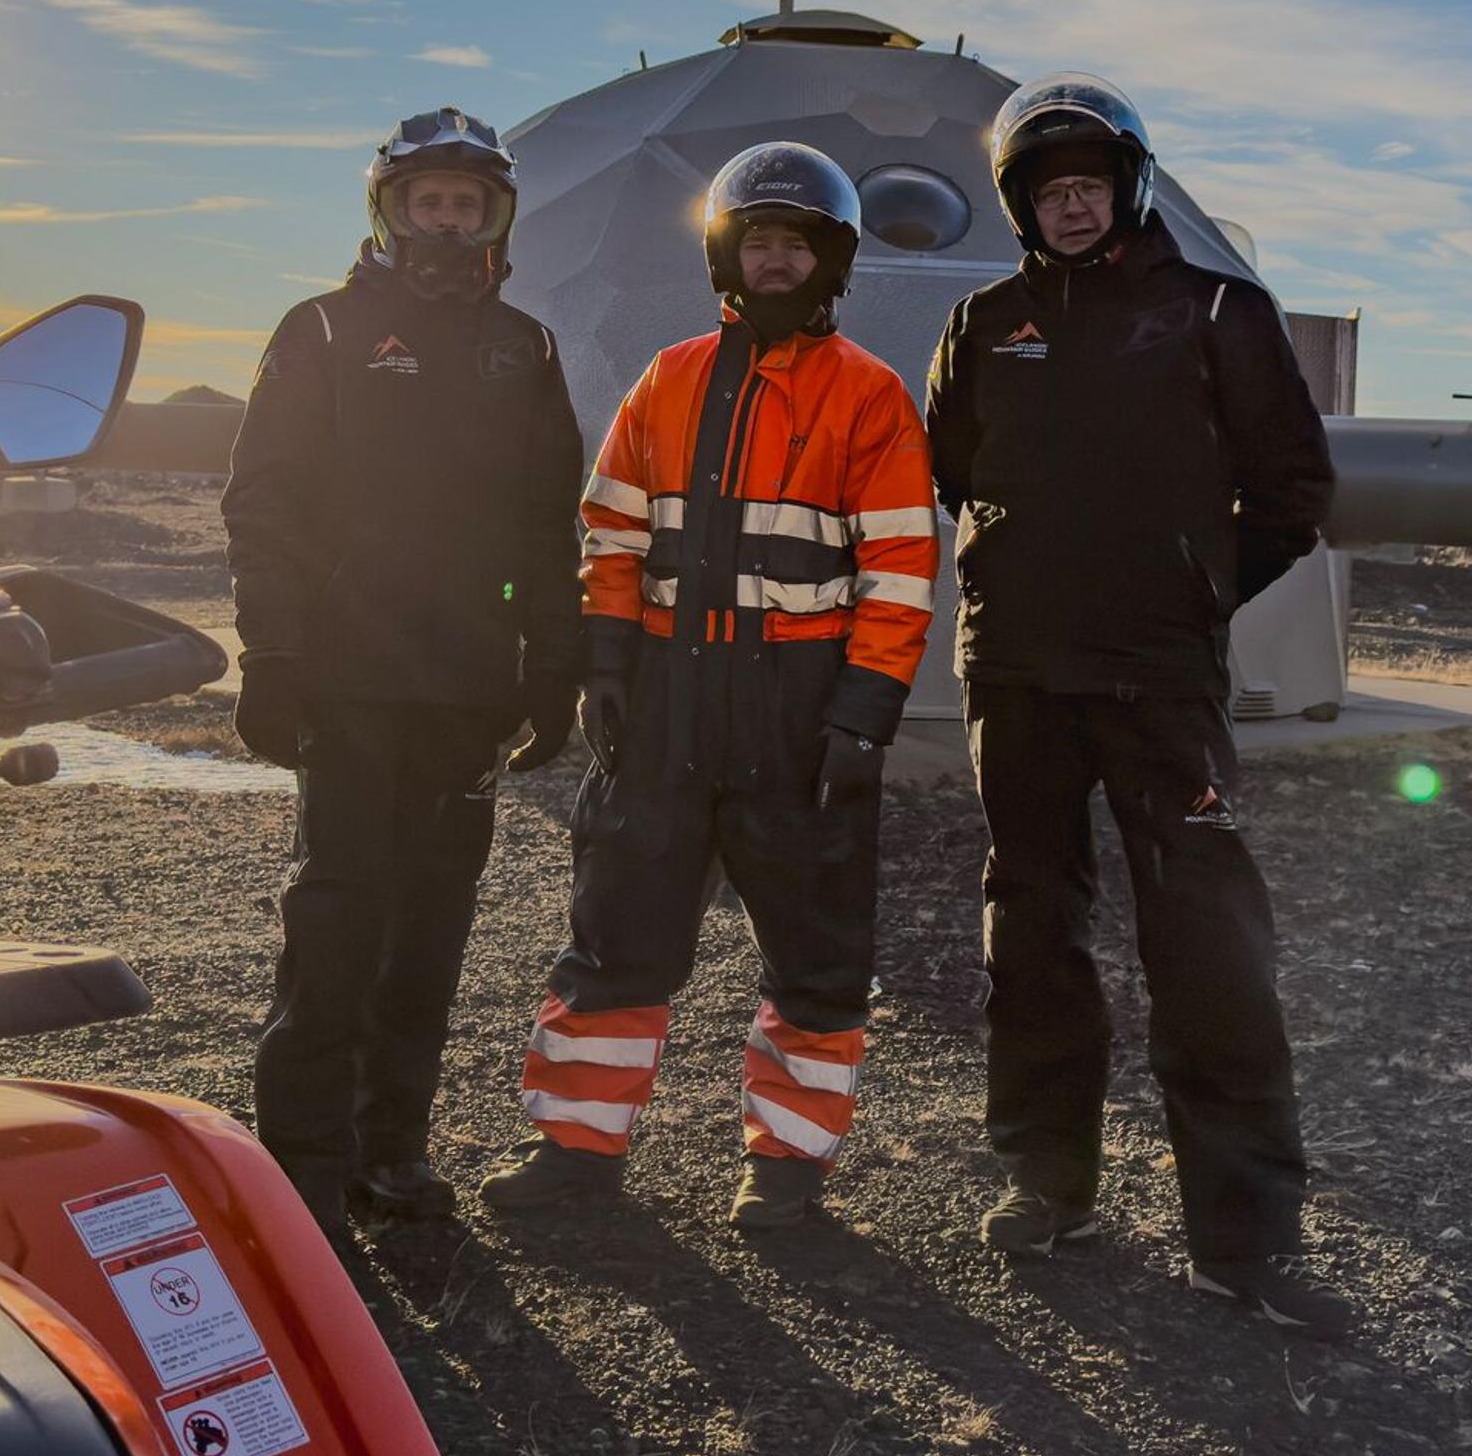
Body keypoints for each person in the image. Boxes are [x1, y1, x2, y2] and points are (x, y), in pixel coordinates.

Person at [922, 75, 1345, 1333]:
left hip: (1159, 679)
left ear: (1129, 186)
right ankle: (1048, 1186)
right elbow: (954, 470)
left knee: (1208, 944)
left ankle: (1246, 1241)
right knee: (1033, 933)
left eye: (1089, 185)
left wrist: (1191, 591)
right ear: (1019, 205)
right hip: (1018, 677)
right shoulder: (985, 321)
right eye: (1048, 191)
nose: (1070, 206)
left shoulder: (1219, 310)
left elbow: (1289, 489)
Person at [479, 142, 939, 1233]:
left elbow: (901, 568)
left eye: (797, 244)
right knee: (617, 933)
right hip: (667, 697)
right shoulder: (670, 378)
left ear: (832, 263)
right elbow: (613, 529)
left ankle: (787, 1171)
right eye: (759, 242)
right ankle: (577, 1154)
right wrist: (604, 665)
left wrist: (863, 714)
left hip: (800, 706)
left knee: (817, 951)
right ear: (728, 257)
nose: (776, 261)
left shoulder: (870, 397)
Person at [223, 108, 586, 1232]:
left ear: (492, 215)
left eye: (466, 203)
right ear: (391, 207)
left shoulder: (520, 345)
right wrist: (272, 654)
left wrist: (550, 661)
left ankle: (392, 1154)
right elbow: (264, 503)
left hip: (465, 686)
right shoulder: (324, 330)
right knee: (336, 921)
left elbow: (543, 522)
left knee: (429, 931)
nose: (447, 218)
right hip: (345, 678)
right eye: (429, 199)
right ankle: (301, 1167)